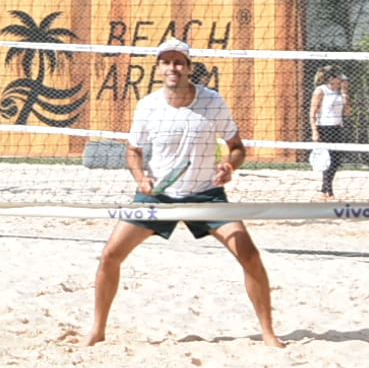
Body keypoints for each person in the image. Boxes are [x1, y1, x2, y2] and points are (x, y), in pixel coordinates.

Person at [87, 41, 281, 348]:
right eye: (166, 62)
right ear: (158, 68)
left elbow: (237, 147)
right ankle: (97, 331)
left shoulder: (212, 102)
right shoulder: (148, 106)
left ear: (189, 67)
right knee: (110, 255)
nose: (172, 68)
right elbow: (133, 151)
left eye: (179, 62)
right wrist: (141, 179)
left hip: (206, 194)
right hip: (159, 196)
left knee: (250, 255)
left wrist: (230, 165)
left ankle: (268, 332)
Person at [309, 67, 350, 196]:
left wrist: (345, 94)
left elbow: (348, 112)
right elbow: (312, 112)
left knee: (336, 160)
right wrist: (314, 131)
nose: (343, 81)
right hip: (324, 127)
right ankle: (327, 188)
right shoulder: (321, 90)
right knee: (327, 159)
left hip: (337, 127)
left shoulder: (340, 93)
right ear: (332, 79)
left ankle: (325, 187)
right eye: (340, 78)